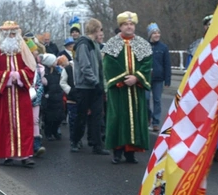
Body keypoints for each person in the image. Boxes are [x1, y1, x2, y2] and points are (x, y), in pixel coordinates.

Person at [103, 11, 152, 164]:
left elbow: (147, 63)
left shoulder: (142, 43)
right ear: (121, 26)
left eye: (131, 24)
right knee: (118, 118)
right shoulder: (112, 43)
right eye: (126, 24)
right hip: (119, 89)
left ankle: (131, 152)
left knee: (135, 119)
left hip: (136, 88)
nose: (129, 27)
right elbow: (109, 65)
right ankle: (117, 152)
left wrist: (136, 77)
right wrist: (124, 79)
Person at [0, 21, 37, 167]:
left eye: (14, 33)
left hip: (21, 94)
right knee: (4, 123)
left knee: (24, 123)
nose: (11, 36)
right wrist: (8, 77)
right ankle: (6, 153)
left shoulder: (23, 50)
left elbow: (31, 68)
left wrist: (19, 76)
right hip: (4, 95)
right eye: (8, 33)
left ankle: (26, 155)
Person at [71, 18, 109, 155]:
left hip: (94, 86)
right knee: (81, 115)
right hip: (84, 86)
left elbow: (98, 65)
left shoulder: (94, 44)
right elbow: (85, 66)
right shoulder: (83, 45)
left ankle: (97, 145)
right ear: (96, 29)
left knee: (97, 117)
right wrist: (95, 82)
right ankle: (75, 141)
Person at [147, 23, 171, 132]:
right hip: (146, 78)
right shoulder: (145, 46)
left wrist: (167, 80)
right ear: (150, 35)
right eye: (154, 33)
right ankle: (148, 117)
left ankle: (156, 122)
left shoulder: (163, 47)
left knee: (157, 100)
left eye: (158, 33)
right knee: (145, 99)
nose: (157, 35)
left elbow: (167, 64)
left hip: (158, 78)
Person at [41, 53, 64, 142]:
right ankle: (48, 132)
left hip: (58, 95)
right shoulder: (44, 72)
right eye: (54, 61)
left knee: (59, 116)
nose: (56, 62)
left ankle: (55, 131)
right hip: (49, 97)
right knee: (49, 117)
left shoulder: (57, 71)